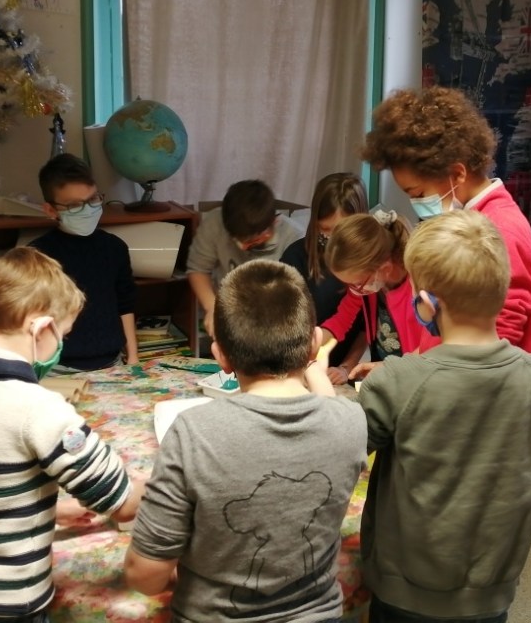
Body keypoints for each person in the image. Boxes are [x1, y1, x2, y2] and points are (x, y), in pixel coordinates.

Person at [357, 210, 531, 623]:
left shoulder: (398, 381)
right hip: (490, 595)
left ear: (426, 304)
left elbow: (344, 452)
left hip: (403, 592)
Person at [124, 259, 367, 622]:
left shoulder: (193, 433)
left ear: (220, 355)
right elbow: (327, 407)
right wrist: (315, 363)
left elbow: (145, 577)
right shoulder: (351, 422)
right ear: (314, 344)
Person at [0, 246, 144, 621]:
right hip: (7, 604)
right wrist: (160, 480)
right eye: (63, 335)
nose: (61, 346)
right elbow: (122, 503)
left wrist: (52, 509)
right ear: (41, 329)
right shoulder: (40, 409)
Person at [362, 86, 531, 355]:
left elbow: (494, 343)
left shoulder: (499, 230)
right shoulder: (468, 219)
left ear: (457, 174)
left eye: (418, 194)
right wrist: (408, 364)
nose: (415, 204)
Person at [30, 153, 139, 369]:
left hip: (112, 363)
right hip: (58, 368)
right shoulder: (39, 255)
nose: (87, 209)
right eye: (73, 205)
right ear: (50, 210)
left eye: (92, 199)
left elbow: (125, 305)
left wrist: (133, 356)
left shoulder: (114, 248)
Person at [280, 172, 369, 384]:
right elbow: (343, 318)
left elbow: (365, 328)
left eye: (341, 230)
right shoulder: (295, 257)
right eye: (326, 230)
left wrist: (346, 368)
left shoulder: (370, 269)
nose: (334, 239)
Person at [321, 210, 432, 380]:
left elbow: (432, 349)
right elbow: (343, 317)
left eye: (357, 283)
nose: (354, 290)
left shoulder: (421, 289)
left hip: (415, 377)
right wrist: (314, 340)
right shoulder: (373, 281)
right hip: (385, 373)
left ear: (384, 268)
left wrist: (392, 368)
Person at [186, 179, 301, 337]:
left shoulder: (294, 238)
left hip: (274, 323)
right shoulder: (215, 222)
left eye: (252, 241)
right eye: (237, 240)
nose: (243, 247)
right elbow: (198, 269)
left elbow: (295, 296)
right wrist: (212, 308)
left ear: (274, 222)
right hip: (229, 315)